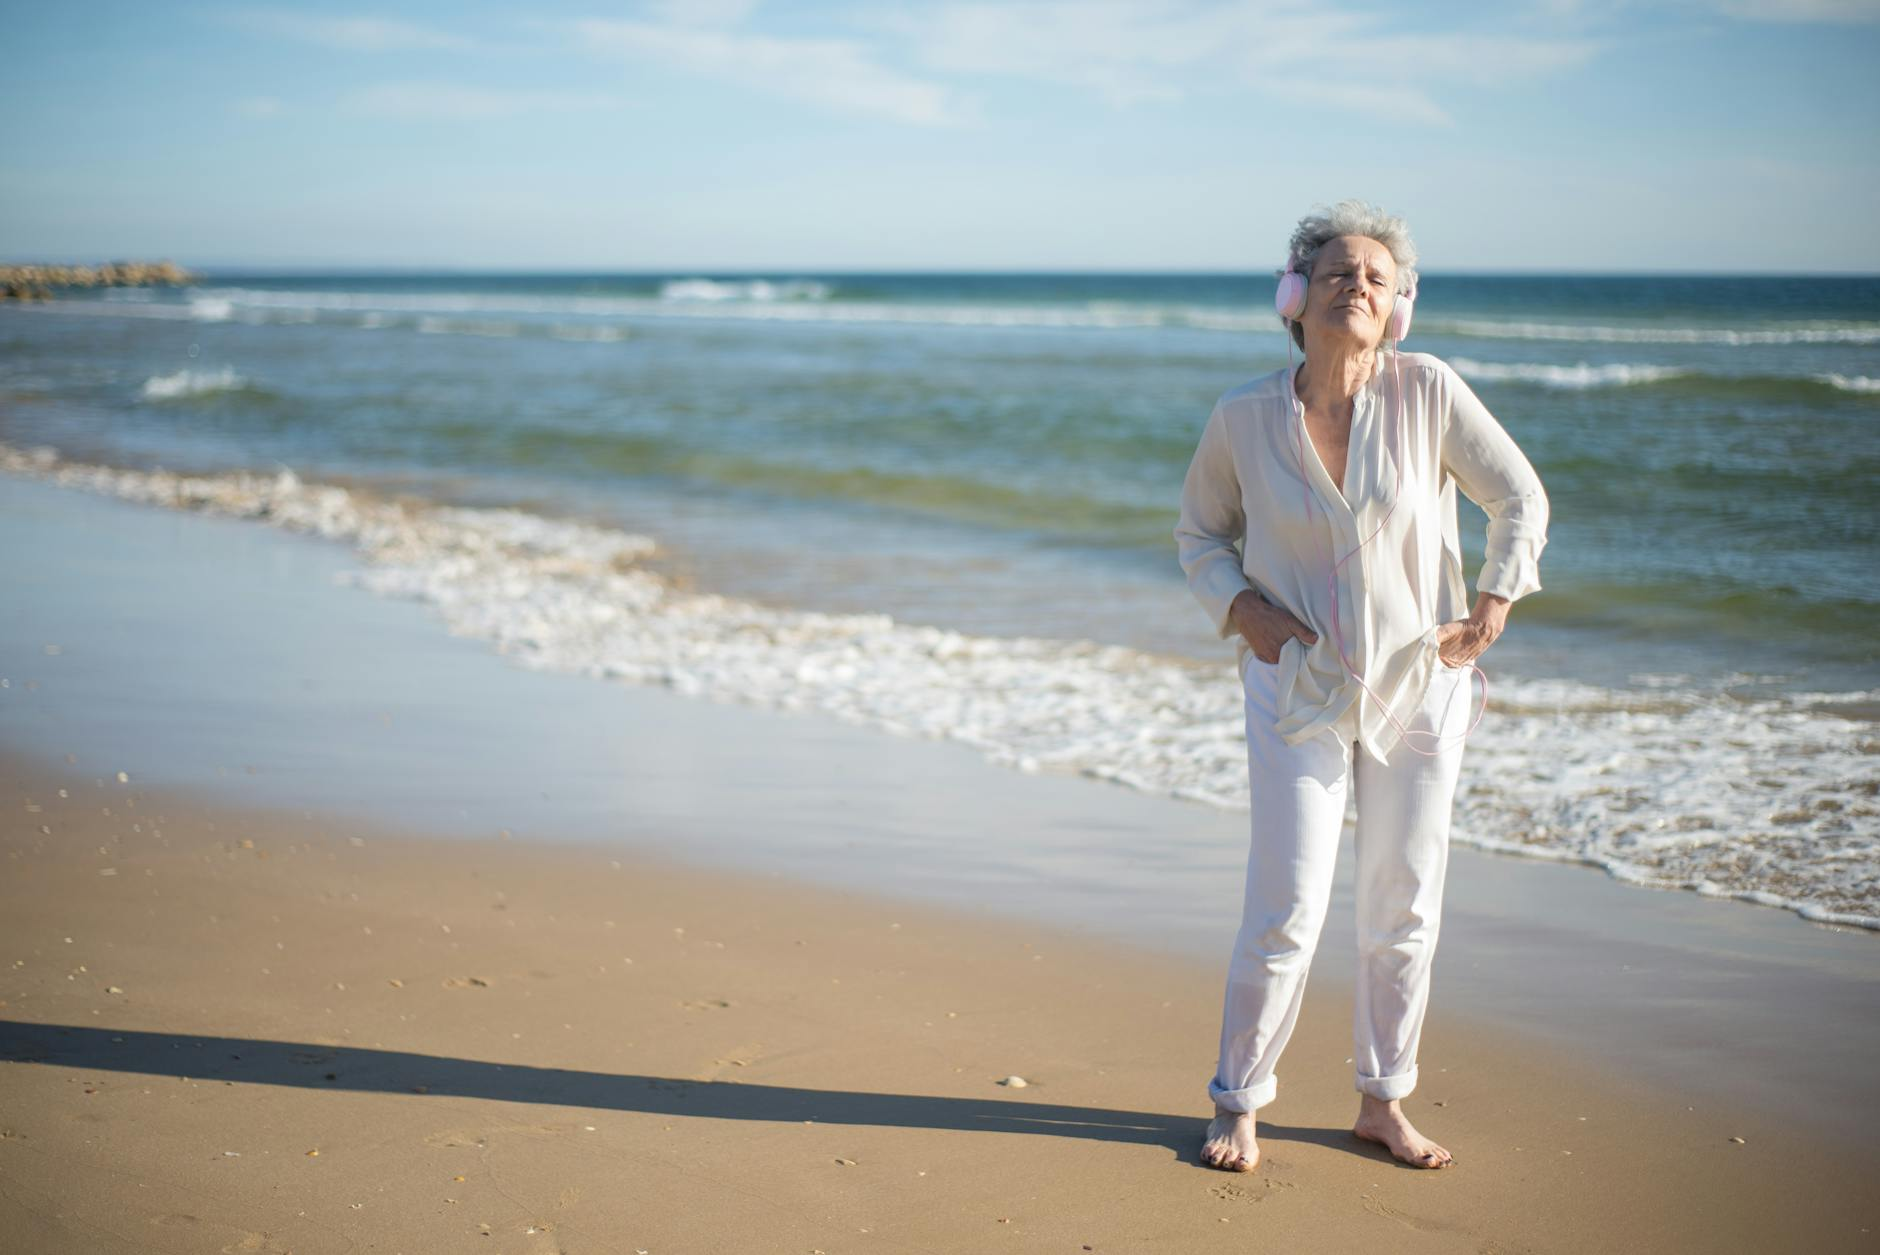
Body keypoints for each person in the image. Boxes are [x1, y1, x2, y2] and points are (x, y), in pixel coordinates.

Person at [1173, 200, 1549, 1172]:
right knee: (1285, 905)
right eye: (1339, 271)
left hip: (1420, 689)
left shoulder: (1426, 390)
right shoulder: (1242, 417)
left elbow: (1517, 495)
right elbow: (1198, 534)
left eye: (1378, 278)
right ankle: (1238, 1101)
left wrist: (1494, 597)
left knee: (1402, 905)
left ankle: (1381, 1101)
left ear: (1399, 308)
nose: (1360, 287)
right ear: (1292, 297)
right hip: (1294, 689)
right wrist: (1241, 609)